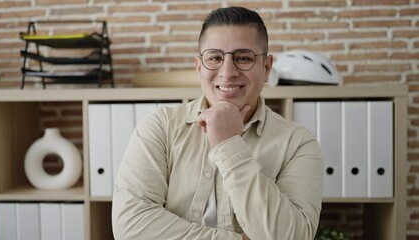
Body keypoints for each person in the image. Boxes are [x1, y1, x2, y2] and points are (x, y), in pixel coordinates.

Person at [112, 6, 323, 240]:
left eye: (243, 58)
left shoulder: (298, 143)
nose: (228, 72)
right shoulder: (160, 127)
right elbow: (129, 227)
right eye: (215, 58)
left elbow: (293, 236)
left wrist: (228, 143)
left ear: (266, 68)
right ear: (199, 67)